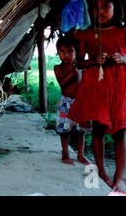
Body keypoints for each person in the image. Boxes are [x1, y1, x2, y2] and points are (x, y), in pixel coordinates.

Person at [69, 0, 126, 193]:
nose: (99, 10)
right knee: (98, 129)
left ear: (115, 9)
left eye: (105, 6)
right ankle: (101, 170)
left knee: (120, 130)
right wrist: (93, 60)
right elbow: (79, 63)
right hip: (96, 85)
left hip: (120, 85)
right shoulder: (86, 34)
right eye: (95, 7)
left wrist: (123, 60)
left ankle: (121, 176)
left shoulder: (125, 32)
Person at [54, 36, 91, 166]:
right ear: (58, 52)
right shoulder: (58, 68)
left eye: (70, 51)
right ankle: (65, 153)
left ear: (76, 52)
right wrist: (74, 72)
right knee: (64, 130)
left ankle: (81, 154)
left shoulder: (81, 67)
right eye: (62, 51)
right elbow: (62, 84)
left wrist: (79, 69)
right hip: (65, 102)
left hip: (81, 101)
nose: (66, 55)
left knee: (81, 130)